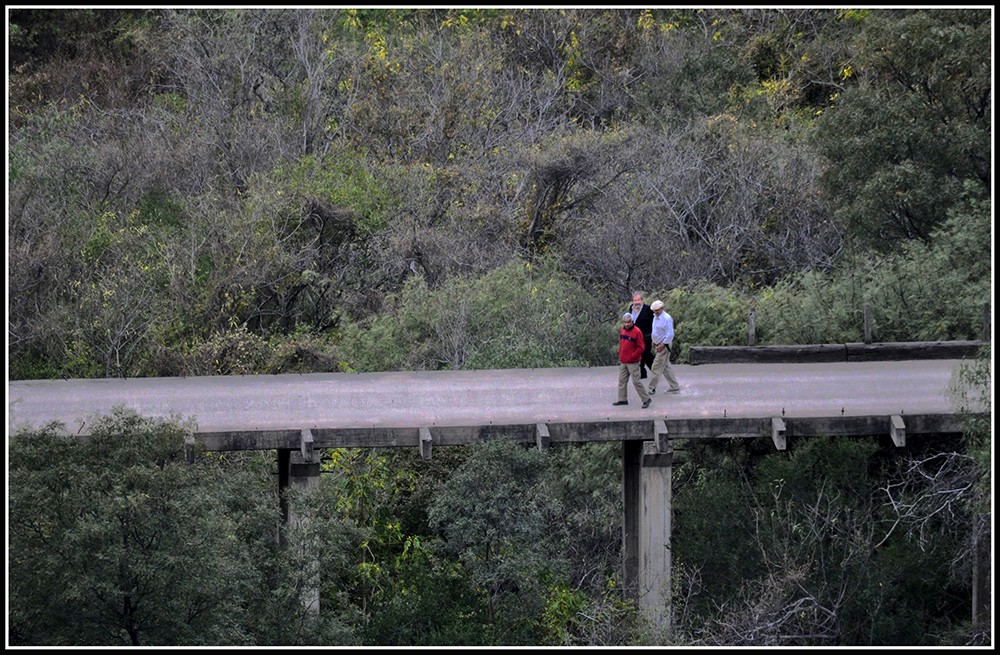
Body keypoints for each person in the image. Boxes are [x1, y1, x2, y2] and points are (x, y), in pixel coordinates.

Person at [613, 312, 651, 408]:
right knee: (621, 381)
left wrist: (634, 356)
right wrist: (620, 354)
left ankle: (646, 399)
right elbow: (622, 343)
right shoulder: (623, 330)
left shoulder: (637, 331)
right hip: (623, 361)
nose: (626, 324)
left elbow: (641, 347)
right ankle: (622, 399)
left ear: (632, 321)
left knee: (636, 382)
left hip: (633, 362)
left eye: (628, 322)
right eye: (625, 322)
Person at [646, 299, 681, 395]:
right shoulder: (655, 317)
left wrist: (662, 344)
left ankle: (651, 388)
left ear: (662, 308)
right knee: (666, 367)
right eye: (654, 310)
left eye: (657, 310)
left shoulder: (667, 318)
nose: (656, 312)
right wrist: (654, 340)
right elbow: (656, 330)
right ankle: (675, 387)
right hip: (658, 343)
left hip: (664, 345)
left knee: (656, 367)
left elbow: (670, 334)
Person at [628, 292, 655, 378]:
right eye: (635, 300)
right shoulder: (631, 309)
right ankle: (642, 373)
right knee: (639, 354)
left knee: (646, 354)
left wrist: (653, 337)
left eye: (638, 300)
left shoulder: (648, 309)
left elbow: (653, 323)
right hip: (635, 337)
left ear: (642, 300)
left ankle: (655, 371)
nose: (636, 302)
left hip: (646, 336)